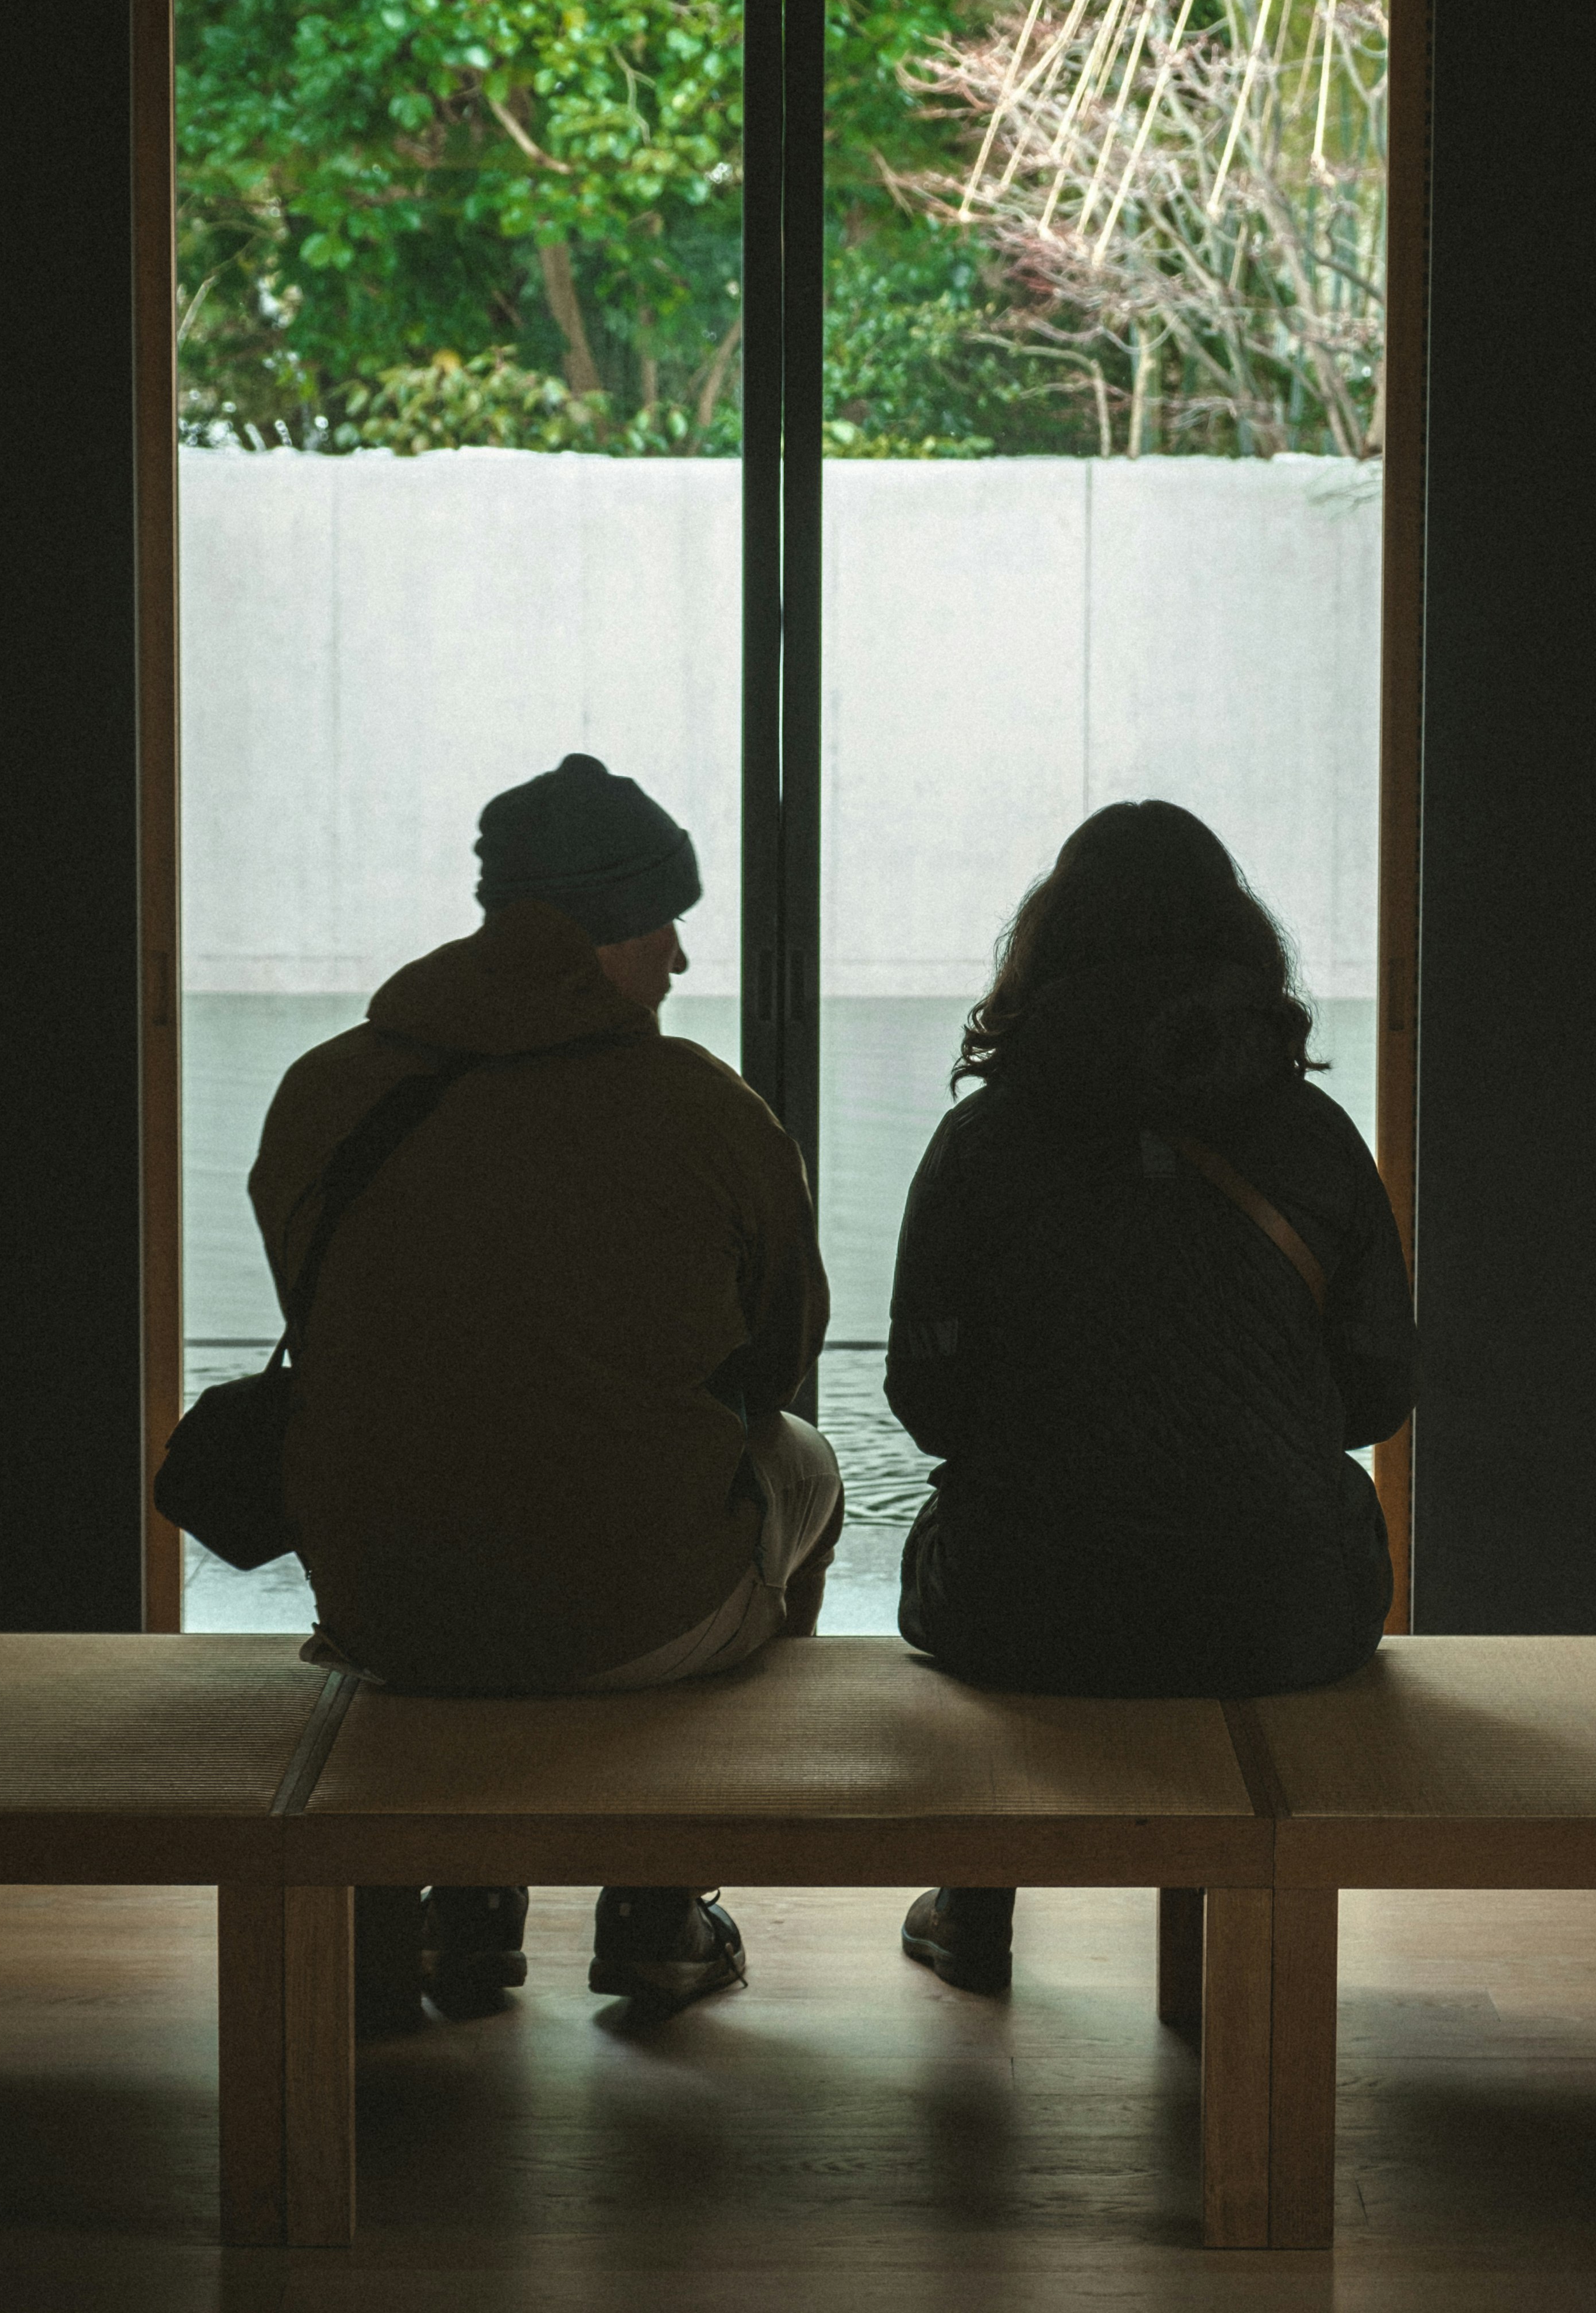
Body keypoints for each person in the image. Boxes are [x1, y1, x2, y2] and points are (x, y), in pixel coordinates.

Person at [249, 753, 840, 2016]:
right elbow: (781, 1367)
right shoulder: (707, 1110)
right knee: (809, 1468)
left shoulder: (329, 1089)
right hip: (639, 1617)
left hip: (385, 1604)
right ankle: (660, 1901)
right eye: (663, 922)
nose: (681, 959)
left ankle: (455, 1906)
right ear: (604, 929)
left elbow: (335, 1331)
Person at [884, 800, 1416, 1992]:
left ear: (1047, 951)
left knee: (987, 1525)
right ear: (1242, 952)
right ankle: (1219, 1974)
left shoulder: (982, 1146)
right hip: (1280, 1610)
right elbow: (1379, 1391)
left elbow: (924, 1398)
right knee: (1242, 1530)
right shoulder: (1314, 1138)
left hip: (1021, 1610)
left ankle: (974, 1905)